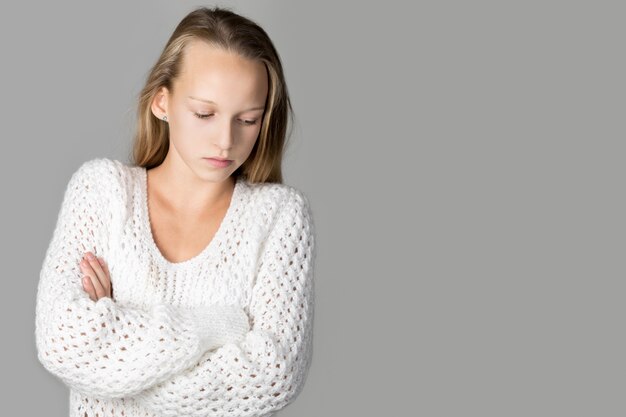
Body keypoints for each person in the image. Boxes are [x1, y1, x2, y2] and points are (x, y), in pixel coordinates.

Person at [34, 6, 316, 417]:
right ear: (161, 102)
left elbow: (274, 375)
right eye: (205, 114)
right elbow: (63, 341)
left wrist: (118, 368)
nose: (225, 140)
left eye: (248, 120)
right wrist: (221, 327)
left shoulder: (280, 216)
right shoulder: (102, 193)